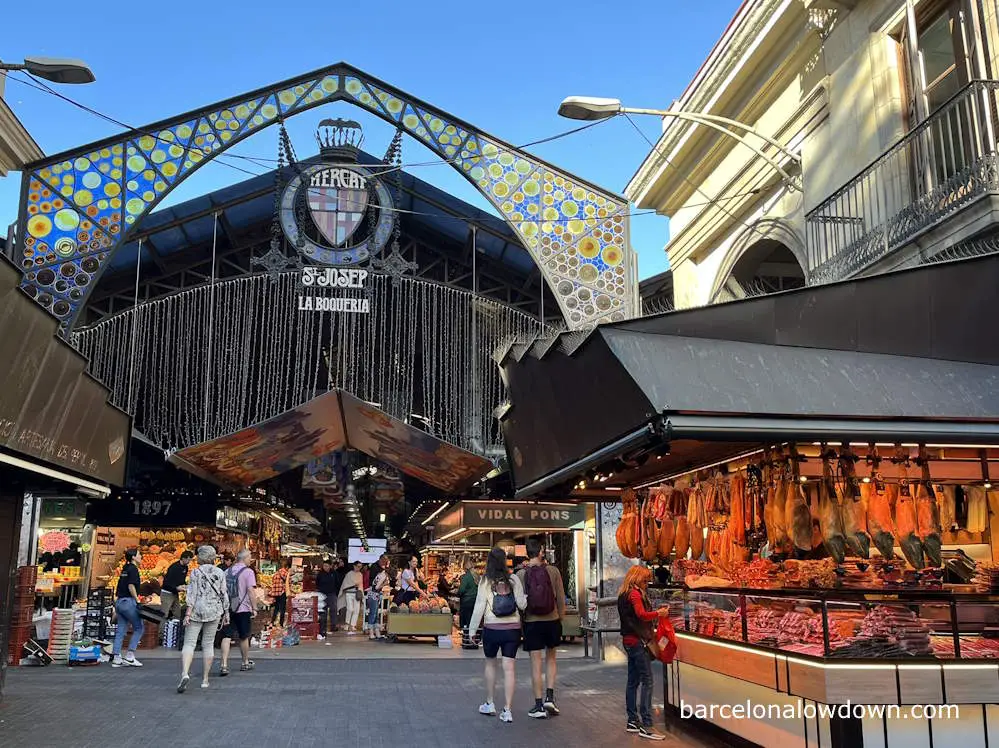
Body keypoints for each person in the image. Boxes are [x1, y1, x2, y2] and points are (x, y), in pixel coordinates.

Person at [468, 547, 527, 724]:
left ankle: (490, 702)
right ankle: (507, 710)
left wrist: (472, 631)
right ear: (505, 561)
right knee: (509, 668)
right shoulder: (514, 579)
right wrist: (525, 597)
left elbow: (479, 607)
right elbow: (522, 605)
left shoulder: (485, 581)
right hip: (512, 629)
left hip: (492, 628)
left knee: (491, 664)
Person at [618, 565, 669, 740]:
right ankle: (646, 724)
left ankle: (632, 720)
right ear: (637, 578)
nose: (647, 583)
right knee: (647, 680)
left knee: (633, 681)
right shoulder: (634, 594)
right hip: (638, 641)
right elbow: (641, 614)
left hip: (629, 641)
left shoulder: (624, 593)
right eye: (645, 580)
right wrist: (658, 613)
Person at [517, 537, 566, 719]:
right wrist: (560, 618)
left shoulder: (521, 574)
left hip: (532, 622)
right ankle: (550, 698)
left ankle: (538, 705)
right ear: (541, 552)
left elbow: (520, 603)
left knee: (535, 663)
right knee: (551, 659)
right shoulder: (553, 571)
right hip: (552, 620)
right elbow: (561, 599)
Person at [178, 545, 228, 693]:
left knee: (189, 643)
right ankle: (205, 679)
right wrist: (226, 613)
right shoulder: (220, 572)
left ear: (201, 557)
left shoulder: (195, 572)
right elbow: (223, 594)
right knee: (208, 644)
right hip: (214, 611)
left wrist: (187, 613)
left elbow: (191, 595)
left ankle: (185, 673)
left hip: (197, 611)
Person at [219, 549, 256, 675]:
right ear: (244, 558)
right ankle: (245, 662)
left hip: (228, 608)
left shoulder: (226, 571)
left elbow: (222, 591)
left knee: (226, 635)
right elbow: (250, 591)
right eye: (250, 557)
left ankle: (224, 664)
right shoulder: (248, 572)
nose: (250, 559)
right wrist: (254, 607)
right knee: (244, 636)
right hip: (243, 608)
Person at [111, 549, 144, 668]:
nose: (141, 556)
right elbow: (131, 585)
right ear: (134, 557)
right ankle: (130, 656)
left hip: (119, 601)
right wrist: (137, 599)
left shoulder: (125, 568)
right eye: (139, 555)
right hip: (128, 602)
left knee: (121, 630)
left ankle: (116, 657)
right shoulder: (134, 569)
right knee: (139, 627)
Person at [161, 550, 194, 620]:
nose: (189, 562)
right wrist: (176, 588)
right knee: (164, 614)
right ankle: (161, 630)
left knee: (177, 613)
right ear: (183, 558)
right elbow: (167, 582)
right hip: (167, 593)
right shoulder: (174, 567)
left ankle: (174, 628)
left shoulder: (185, 567)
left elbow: (182, 580)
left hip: (175, 593)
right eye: (188, 560)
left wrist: (185, 585)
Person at [366, 555, 390, 640]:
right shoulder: (382, 575)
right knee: (373, 614)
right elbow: (376, 587)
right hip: (374, 594)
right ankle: (371, 632)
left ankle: (376, 632)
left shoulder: (381, 573)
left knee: (375, 614)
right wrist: (385, 584)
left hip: (375, 594)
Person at [338, 561, 364, 634]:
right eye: (358, 566)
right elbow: (345, 584)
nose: (359, 568)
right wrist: (353, 585)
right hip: (349, 593)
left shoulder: (360, 574)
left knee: (356, 610)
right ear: (354, 566)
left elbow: (361, 584)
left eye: (360, 567)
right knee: (350, 609)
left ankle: (352, 625)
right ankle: (347, 623)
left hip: (357, 593)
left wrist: (360, 591)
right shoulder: (349, 574)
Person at [315, 559, 339, 639]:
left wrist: (336, 592)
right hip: (322, 594)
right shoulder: (320, 574)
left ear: (330, 566)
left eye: (327, 566)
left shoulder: (334, 573)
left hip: (332, 594)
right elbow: (317, 583)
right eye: (324, 566)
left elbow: (337, 582)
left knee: (333, 609)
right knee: (323, 611)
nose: (325, 567)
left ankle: (333, 625)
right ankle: (323, 627)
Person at [458, 557, 479, 649]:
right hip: (476, 601)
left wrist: (458, 593)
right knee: (474, 622)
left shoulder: (465, 577)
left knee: (466, 622)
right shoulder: (477, 576)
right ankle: (474, 641)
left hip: (466, 602)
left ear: (465, 568)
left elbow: (461, 590)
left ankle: (467, 641)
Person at [270, 559, 291, 627]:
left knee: (276, 608)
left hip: (276, 593)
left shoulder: (276, 573)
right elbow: (287, 583)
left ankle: (272, 622)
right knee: (282, 609)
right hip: (282, 593)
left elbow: (272, 583)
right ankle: (281, 623)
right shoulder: (286, 573)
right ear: (287, 567)